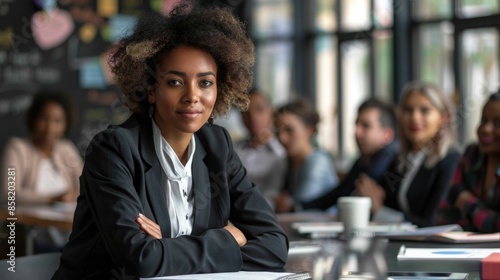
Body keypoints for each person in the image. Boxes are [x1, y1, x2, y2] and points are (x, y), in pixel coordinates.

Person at [52, 4, 288, 279]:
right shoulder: (114, 150)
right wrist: (229, 239)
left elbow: (274, 245)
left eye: (205, 83)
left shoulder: (217, 145)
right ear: (151, 89)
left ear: (219, 88)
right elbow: (141, 260)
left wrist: (165, 248)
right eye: (175, 82)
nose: (192, 96)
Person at [355, 81, 460, 227]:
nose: (414, 118)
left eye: (425, 110)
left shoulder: (451, 161)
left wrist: (380, 211)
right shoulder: (401, 161)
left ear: (444, 118)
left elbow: (433, 223)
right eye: (408, 110)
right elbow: (379, 199)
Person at [1, 90, 83, 252]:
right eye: (44, 119)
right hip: (29, 238)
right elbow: (9, 193)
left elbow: (86, 184)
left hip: (69, 236)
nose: (50, 128)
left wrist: (73, 194)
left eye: (58, 121)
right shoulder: (17, 149)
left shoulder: (66, 149)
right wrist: (53, 198)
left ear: (66, 124)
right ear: (33, 119)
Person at [301, 98, 399, 211]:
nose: (357, 132)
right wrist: (297, 206)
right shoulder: (362, 162)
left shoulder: (396, 166)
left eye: (366, 126)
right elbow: (336, 196)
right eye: (356, 124)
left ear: (387, 135)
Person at [437, 92, 500, 233]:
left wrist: (466, 203)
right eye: (483, 121)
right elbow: (443, 215)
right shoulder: (472, 154)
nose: (486, 129)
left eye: (498, 123)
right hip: (465, 250)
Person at [273, 98, 339, 213]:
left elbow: (300, 206)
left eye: (289, 130)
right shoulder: (288, 161)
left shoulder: (318, 161)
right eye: (278, 131)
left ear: (310, 130)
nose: (282, 138)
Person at [234, 89, 287, 206]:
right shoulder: (235, 149)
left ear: (271, 112)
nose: (253, 117)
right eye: (245, 112)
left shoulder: (282, 150)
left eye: (259, 109)